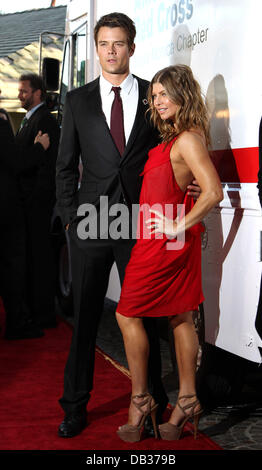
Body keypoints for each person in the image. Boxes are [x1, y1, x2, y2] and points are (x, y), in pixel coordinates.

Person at [56, 12, 201, 438]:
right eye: (104, 44)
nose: (112, 51)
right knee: (84, 319)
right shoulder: (78, 100)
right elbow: (64, 167)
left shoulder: (150, 98)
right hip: (90, 222)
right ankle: (75, 406)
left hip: (142, 224)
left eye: (119, 44)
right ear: (96, 49)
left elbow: (173, 152)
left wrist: (187, 187)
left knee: (144, 315)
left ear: (132, 48)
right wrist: (70, 222)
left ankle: (153, 399)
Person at [115, 65, 223, 442]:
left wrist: (179, 224)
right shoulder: (171, 140)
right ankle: (187, 402)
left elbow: (213, 192)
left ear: (183, 94)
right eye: (155, 95)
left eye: (165, 93)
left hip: (166, 244)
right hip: (160, 241)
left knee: (127, 313)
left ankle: (141, 399)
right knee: (180, 316)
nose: (158, 101)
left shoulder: (188, 139)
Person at [15, 73, 60, 329]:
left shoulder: (45, 121)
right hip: (28, 204)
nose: (20, 95)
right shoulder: (29, 119)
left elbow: (46, 168)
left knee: (39, 259)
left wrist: (33, 201)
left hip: (37, 205)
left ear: (38, 93)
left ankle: (42, 314)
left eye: (24, 91)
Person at [0, 114, 50, 339]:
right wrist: (40, 147)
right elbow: (16, 162)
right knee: (13, 266)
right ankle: (17, 323)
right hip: (6, 208)